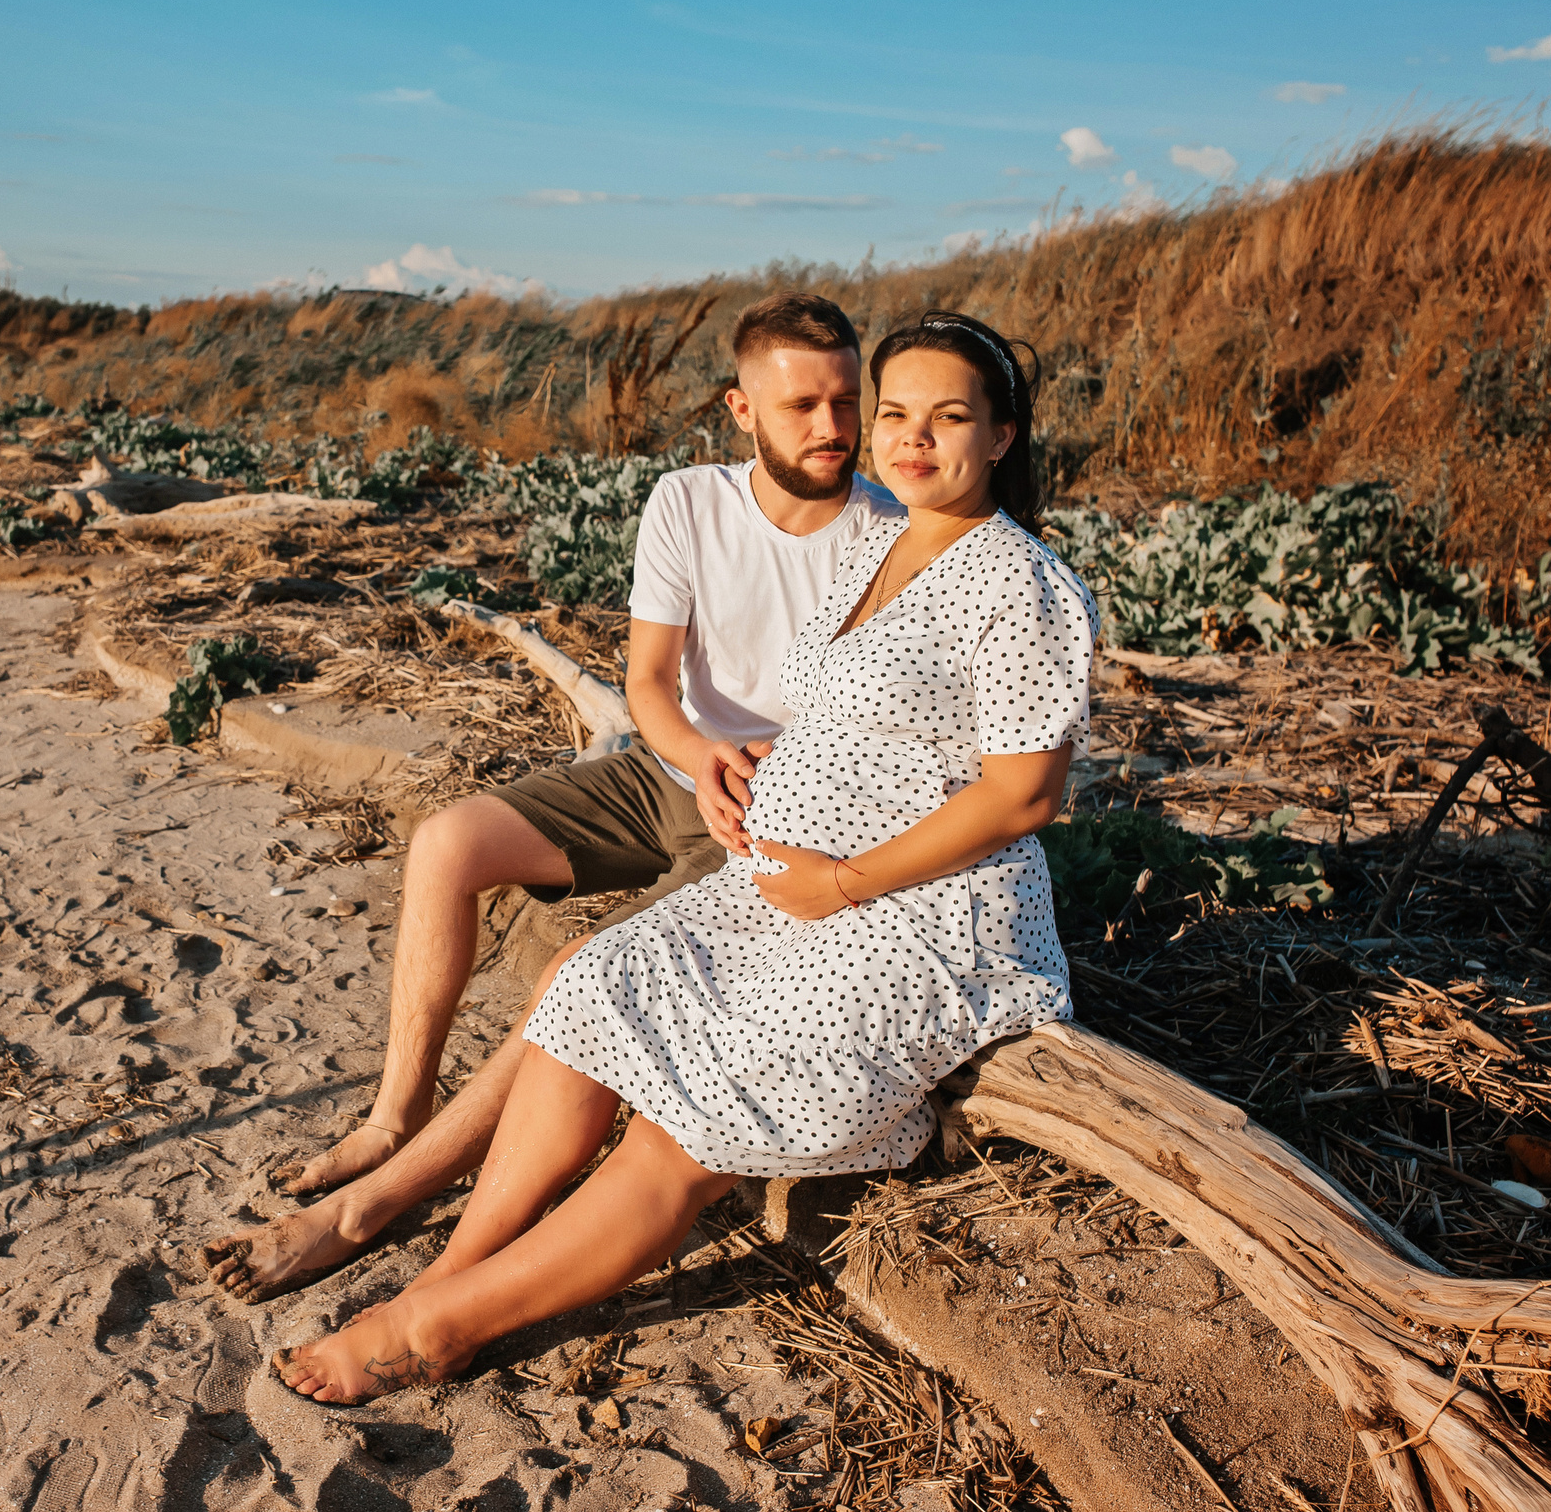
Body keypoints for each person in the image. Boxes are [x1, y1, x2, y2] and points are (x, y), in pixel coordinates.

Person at [271, 309, 1098, 1404]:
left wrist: (838, 879)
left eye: (946, 417)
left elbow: (1024, 792)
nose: (904, 436)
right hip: (786, 886)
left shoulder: (1019, 580)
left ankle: (437, 1322)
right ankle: (455, 1261)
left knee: (684, 1121)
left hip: (915, 912)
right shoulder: (873, 539)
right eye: (891, 412)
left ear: (1000, 435)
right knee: (591, 994)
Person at [202, 292, 903, 1300]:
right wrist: (696, 753)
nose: (832, 428)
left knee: (579, 967)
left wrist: (759, 788)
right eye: (801, 405)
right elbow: (648, 683)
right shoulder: (689, 500)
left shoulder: (883, 537)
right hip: (665, 768)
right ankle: (393, 1113)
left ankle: (382, 1196)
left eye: (845, 400)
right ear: (740, 408)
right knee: (446, 842)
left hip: (769, 818)